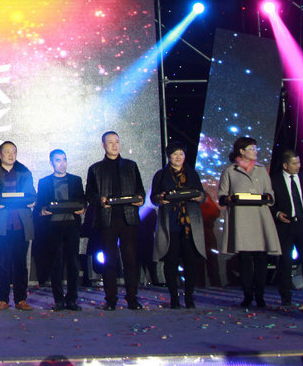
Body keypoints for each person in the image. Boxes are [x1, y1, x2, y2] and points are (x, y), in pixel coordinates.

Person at [85, 130, 145, 310]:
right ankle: (111, 299)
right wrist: (100, 200)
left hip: (129, 218)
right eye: (110, 142)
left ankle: (132, 298)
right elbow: (90, 195)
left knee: (130, 260)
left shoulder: (131, 165)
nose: (114, 145)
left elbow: (140, 189)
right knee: (109, 261)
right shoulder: (95, 169)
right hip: (107, 220)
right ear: (103, 145)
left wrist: (140, 199)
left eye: (116, 141)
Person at [218, 136, 279, 309]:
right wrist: (229, 199)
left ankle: (260, 295)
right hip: (241, 220)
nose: (255, 151)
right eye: (252, 149)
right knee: (244, 259)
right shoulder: (230, 171)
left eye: (255, 148)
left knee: (261, 258)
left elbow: (270, 192)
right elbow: (222, 196)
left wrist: (267, 197)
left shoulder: (261, 170)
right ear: (242, 151)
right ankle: (247, 295)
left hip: (260, 218)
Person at [150, 142, 206, 309]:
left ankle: (189, 297)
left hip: (189, 223)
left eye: (181, 154)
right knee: (171, 261)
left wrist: (199, 197)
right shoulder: (161, 175)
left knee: (190, 261)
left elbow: (201, 194)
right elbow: (154, 198)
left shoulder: (192, 173)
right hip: (170, 222)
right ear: (169, 156)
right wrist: (160, 199)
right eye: (175, 154)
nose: (178, 157)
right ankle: (174, 297)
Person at [0, 141, 36, 311]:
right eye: (7, 152)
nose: (10, 155)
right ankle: (3, 299)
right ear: (0, 154)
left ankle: (21, 299)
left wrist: (32, 201)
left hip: (21, 224)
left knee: (21, 263)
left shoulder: (24, 172)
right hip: (1, 225)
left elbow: (31, 194)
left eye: (13, 151)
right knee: (3, 263)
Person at [35, 149, 85, 311]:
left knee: (73, 264)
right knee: (56, 263)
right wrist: (42, 210)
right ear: (51, 163)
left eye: (64, 159)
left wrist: (82, 207)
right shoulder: (44, 182)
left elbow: (82, 200)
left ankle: (72, 299)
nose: (62, 163)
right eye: (58, 160)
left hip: (71, 225)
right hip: (53, 226)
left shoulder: (76, 180)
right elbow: (40, 204)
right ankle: (58, 300)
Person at [270, 150, 303, 307]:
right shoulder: (275, 180)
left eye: (299, 162)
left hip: (302, 224)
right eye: (294, 163)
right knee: (285, 262)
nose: (299, 166)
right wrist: (277, 214)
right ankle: (286, 298)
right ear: (285, 165)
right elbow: (269, 202)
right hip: (285, 225)